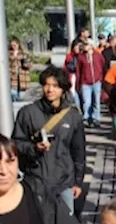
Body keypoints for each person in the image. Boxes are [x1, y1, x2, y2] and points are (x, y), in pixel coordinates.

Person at [12, 66, 86, 214]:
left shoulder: (73, 116)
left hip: (64, 182)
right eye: (47, 85)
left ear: (63, 89)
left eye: (55, 86)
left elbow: (78, 151)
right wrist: (34, 149)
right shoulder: (28, 113)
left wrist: (77, 182)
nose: (50, 89)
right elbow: (16, 143)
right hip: (36, 180)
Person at [75, 40, 107, 127]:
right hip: (85, 82)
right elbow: (78, 71)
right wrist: (78, 84)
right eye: (84, 44)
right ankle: (86, 117)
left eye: (87, 44)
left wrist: (102, 79)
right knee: (87, 102)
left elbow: (102, 67)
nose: (85, 46)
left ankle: (96, 118)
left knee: (96, 101)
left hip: (97, 82)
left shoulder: (98, 56)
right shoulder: (81, 57)